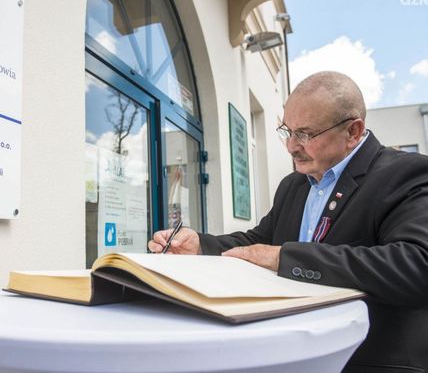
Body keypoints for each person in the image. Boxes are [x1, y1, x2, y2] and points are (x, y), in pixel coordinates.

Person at [149, 71, 428, 373]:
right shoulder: (293, 184)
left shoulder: (407, 173)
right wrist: (201, 245)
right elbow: (257, 242)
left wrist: (285, 257)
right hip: (290, 353)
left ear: (353, 131)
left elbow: (416, 266)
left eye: (305, 134)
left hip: (367, 359)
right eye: (287, 131)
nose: (291, 146)